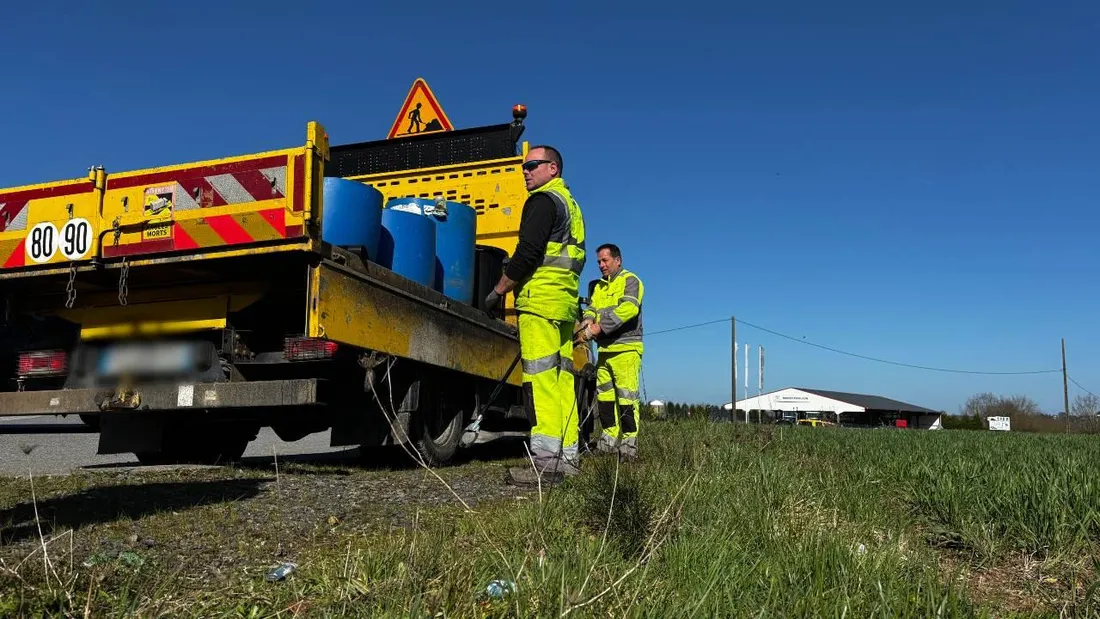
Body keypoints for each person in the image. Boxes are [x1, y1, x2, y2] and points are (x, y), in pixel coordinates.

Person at [484, 145, 586, 485]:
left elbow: (527, 253)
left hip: (540, 302)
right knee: (562, 381)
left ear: (552, 168)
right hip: (563, 305)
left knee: (540, 380)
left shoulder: (543, 201)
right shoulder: (570, 205)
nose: (525, 171)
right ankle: (567, 458)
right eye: (523, 166)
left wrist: (498, 290)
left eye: (532, 165)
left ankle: (546, 464)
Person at [577, 244, 644, 459]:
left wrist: (597, 327)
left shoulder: (631, 281)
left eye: (605, 260)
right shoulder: (599, 287)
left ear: (618, 260)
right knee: (605, 398)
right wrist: (587, 320)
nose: (601, 265)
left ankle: (628, 446)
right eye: (599, 261)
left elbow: (629, 309)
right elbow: (592, 308)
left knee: (626, 398)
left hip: (626, 349)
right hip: (605, 350)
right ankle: (608, 442)